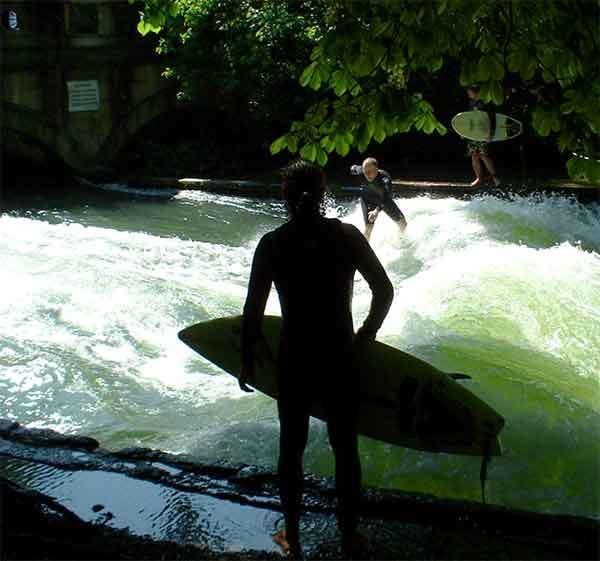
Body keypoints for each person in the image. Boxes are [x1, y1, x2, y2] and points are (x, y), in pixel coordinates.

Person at [240, 160, 394, 558]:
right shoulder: (346, 236)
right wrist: (366, 336)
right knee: (345, 447)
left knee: (291, 448)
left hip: (295, 358)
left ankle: (291, 535)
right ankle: (349, 535)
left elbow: (253, 312)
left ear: (284, 197)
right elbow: (384, 291)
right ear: (324, 193)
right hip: (340, 354)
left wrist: (246, 359)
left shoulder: (273, 244)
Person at [349, 157, 407, 242]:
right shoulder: (360, 171)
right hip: (368, 199)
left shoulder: (384, 178)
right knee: (368, 228)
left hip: (384, 199)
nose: (367, 175)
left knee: (403, 224)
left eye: (370, 172)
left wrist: (376, 211)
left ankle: (400, 241)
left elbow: (386, 197)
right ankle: (364, 250)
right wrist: (352, 168)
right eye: (365, 172)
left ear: (376, 170)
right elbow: (353, 167)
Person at [466, 86, 501, 187]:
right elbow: (469, 118)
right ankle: (478, 178)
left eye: (469, 92)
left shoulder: (485, 102)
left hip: (484, 132)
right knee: (474, 156)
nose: (468, 94)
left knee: (484, 155)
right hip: (473, 134)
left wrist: (490, 133)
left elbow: (491, 118)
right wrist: (464, 132)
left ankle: (494, 177)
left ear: (475, 92)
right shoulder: (471, 103)